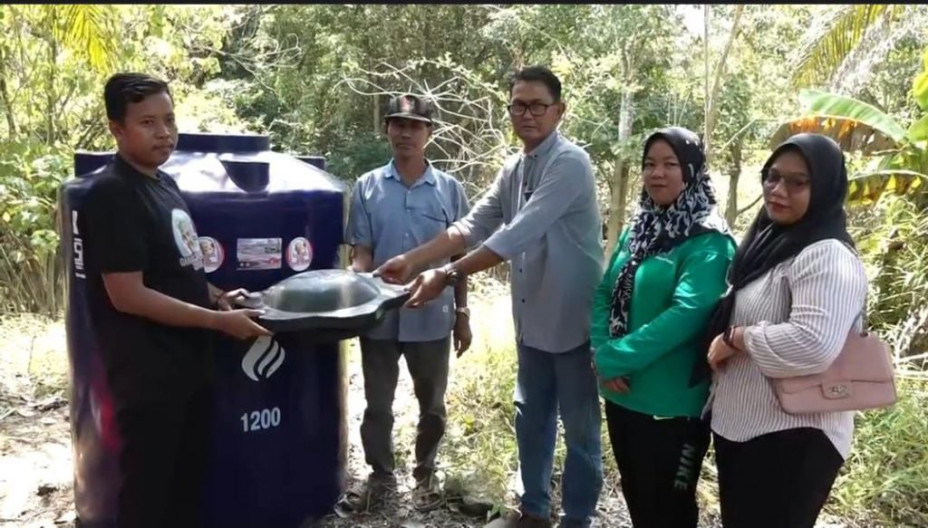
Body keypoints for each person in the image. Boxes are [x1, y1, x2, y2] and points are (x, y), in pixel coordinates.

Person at [376, 66, 603, 528]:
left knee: (580, 431)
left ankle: (578, 519)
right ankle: (534, 511)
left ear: (558, 111)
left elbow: (517, 233)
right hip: (531, 317)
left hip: (574, 320)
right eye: (518, 104)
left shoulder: (570, 163)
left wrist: (447, 273)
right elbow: (473, 225)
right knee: (531, 418)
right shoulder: (514, 169)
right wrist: (415, 260)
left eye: (538, 105)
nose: (527, 114)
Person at [80, 72, 270, 528]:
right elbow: (128, 295)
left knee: (185, 488)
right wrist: (217, 322)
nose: (164, 132)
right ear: (116, 128)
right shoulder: (113, 193)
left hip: (188, 368)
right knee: (148, 496)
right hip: (148, 377)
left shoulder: (162, 184)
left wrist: (220, 297)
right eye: (147, 122)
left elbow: (179, 268)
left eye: (168, 119)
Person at [702, 133, 868, 528]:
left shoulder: (826, 253)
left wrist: (736, 338)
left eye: (798, 182)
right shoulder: (772, 242)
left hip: (794, 439)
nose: (778, 190)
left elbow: (813, 343)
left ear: (825, 187)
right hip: (748, 428)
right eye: (772, 177)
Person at [590, 127, 735, 528]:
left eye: (671, 164)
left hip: (672, 406)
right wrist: (602, 352)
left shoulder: (708, 240)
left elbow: (687, 313)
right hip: (621, 395)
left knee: (669, 511)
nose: (658, 173)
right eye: (650, 164)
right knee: (638, 500)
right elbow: (605, 293)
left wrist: (616, 356)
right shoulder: (638, 229)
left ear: (692, 171)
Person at [336, 94, 473, 515]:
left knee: (431, 402)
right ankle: (380, 475)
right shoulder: (368, 186)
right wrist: (357, 284)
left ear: (429, 133)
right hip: (380, 317)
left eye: (415, 126)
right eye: (398, 124)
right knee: (377, 403)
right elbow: (362, 252)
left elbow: (460, 260)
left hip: (432, 318)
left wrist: (463, 315)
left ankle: (425, 473)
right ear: (387, 130)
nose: (405, 133)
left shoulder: (450, 190)